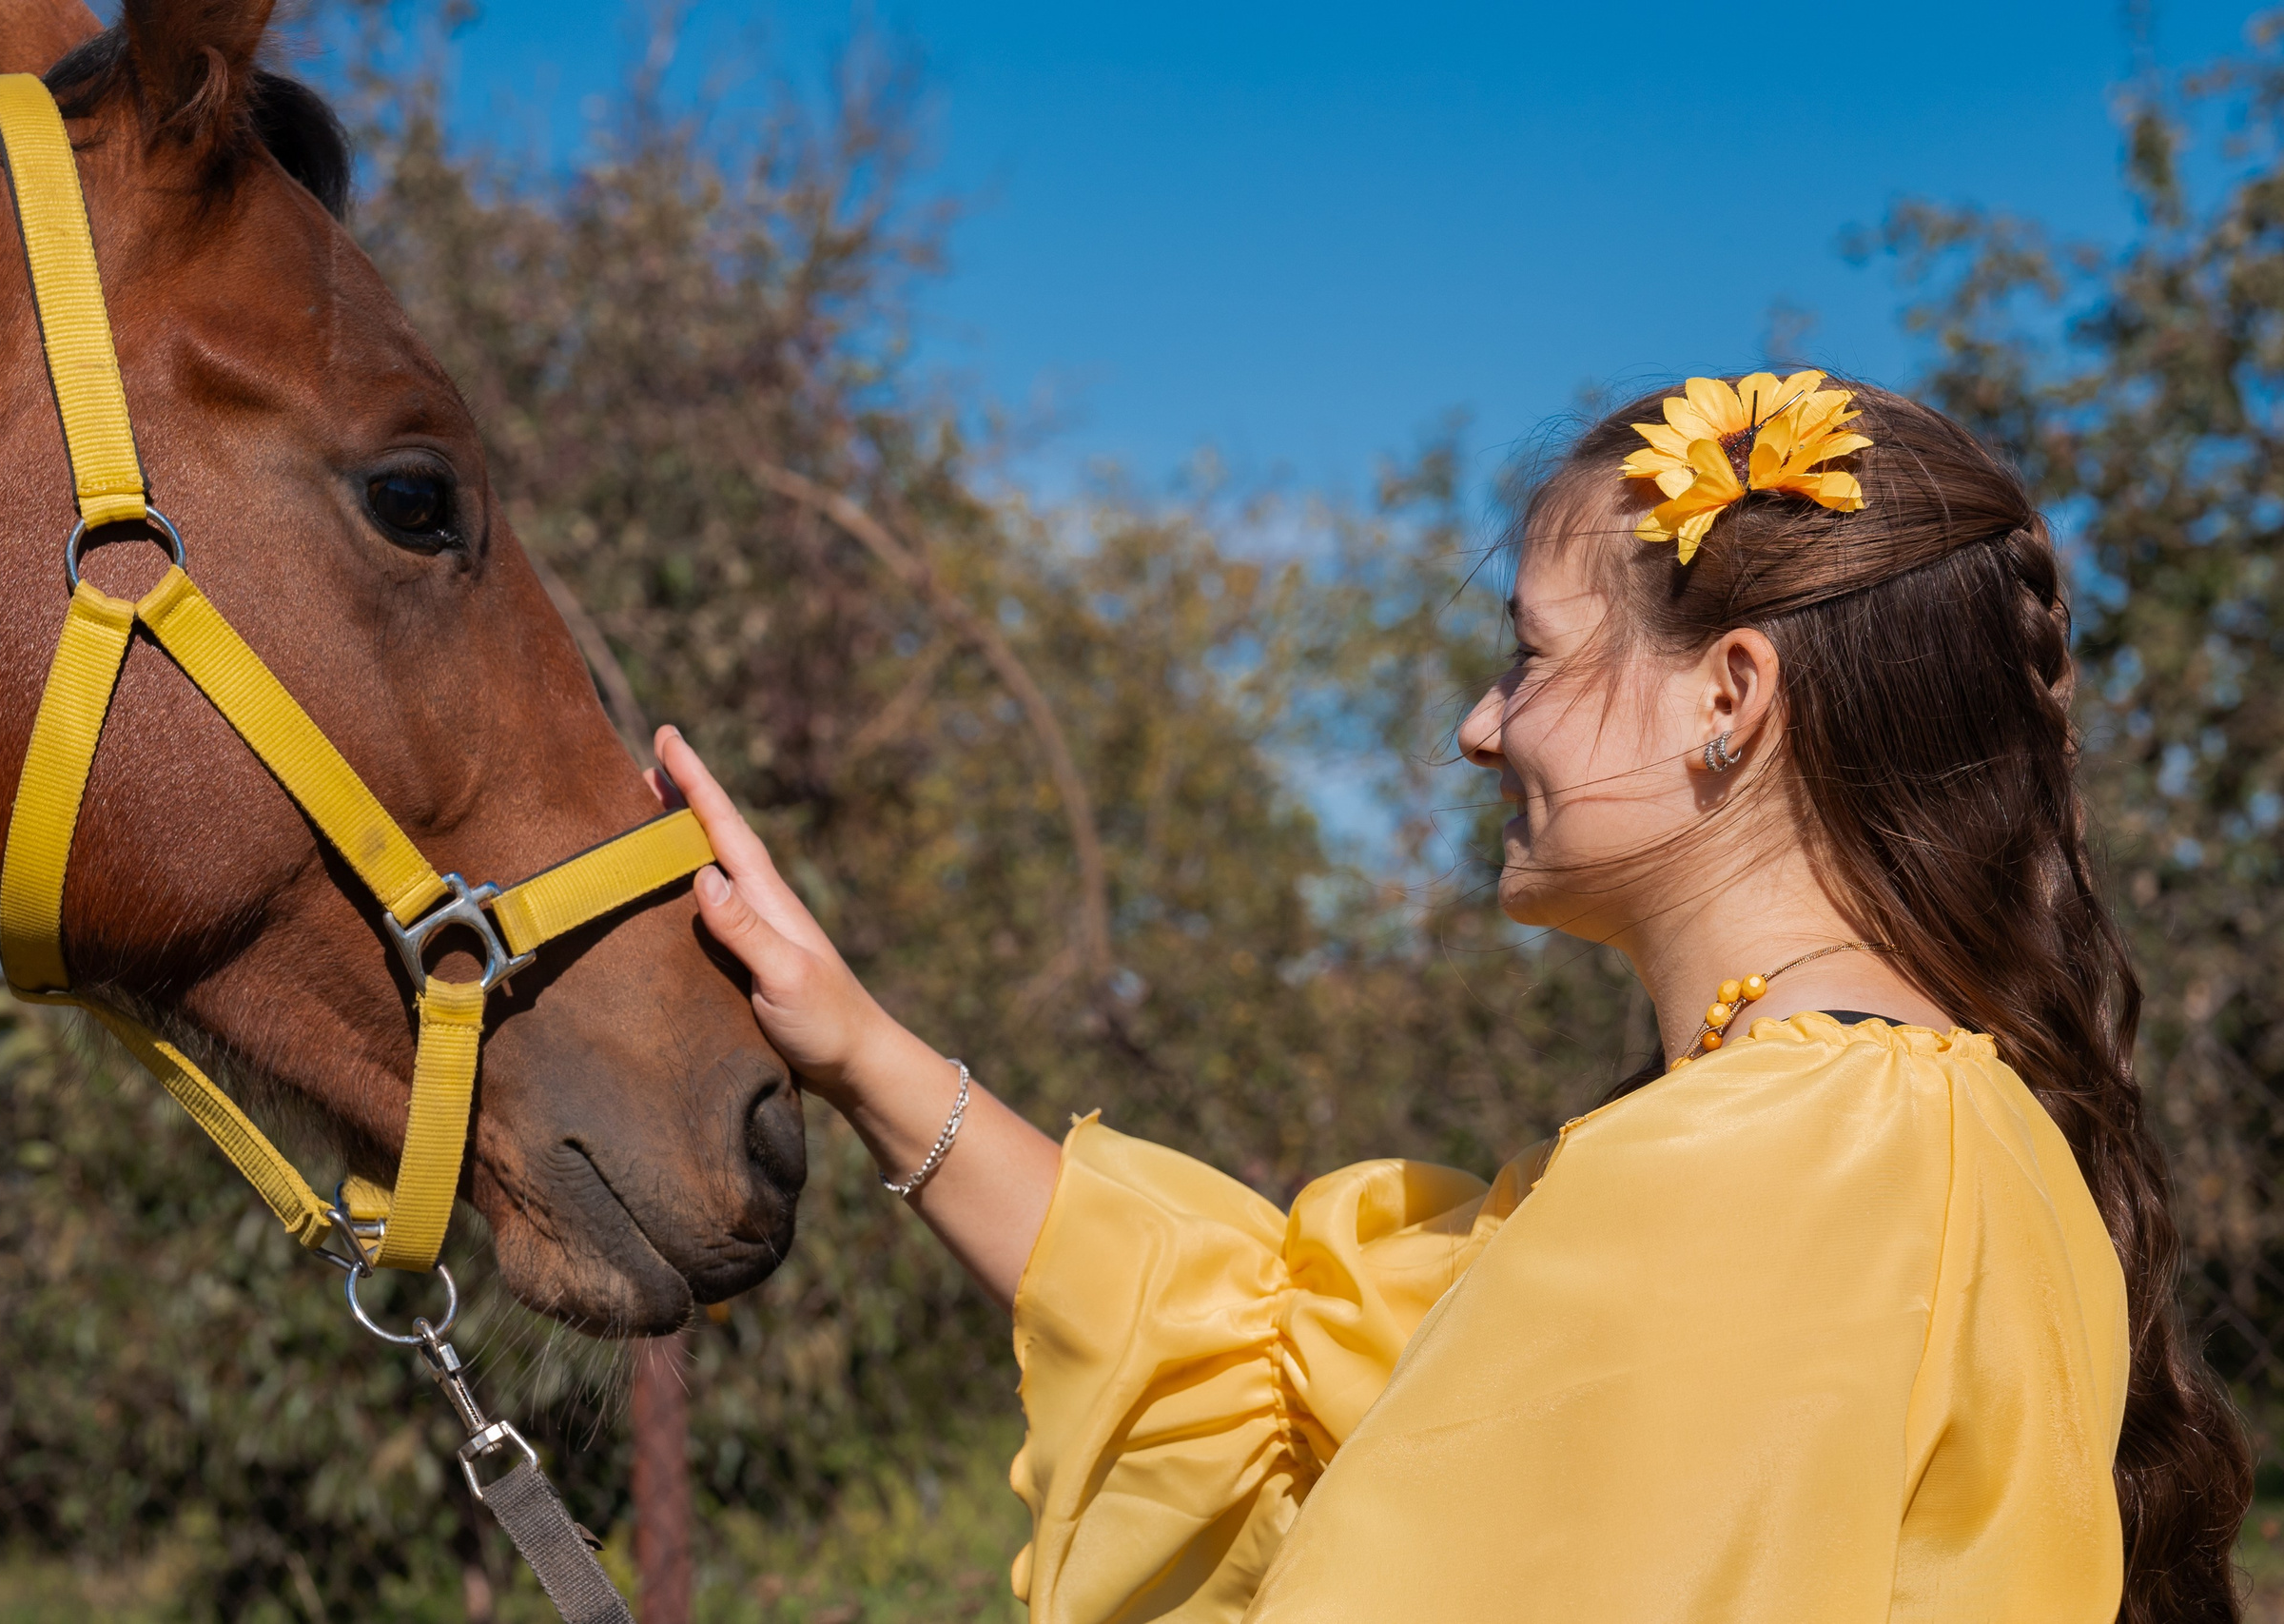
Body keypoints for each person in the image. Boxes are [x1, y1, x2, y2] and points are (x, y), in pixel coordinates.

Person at [651, 375, 2252, 1622]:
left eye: (1534, 658)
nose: (1483, 729)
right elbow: (1268, 1349)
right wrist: (857, 1045)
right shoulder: (1896, 1120)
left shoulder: (1775, 1171)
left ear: (1730, 697)